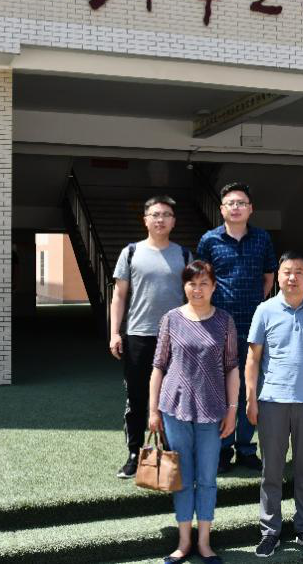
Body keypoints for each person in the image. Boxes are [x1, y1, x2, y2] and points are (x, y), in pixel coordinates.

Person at [245, 251, 303, 558]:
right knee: (271, 471)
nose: (292, 277)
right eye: (287, 271)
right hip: (272, 401)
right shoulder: (265, 310)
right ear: (278, 276)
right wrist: (251, 399)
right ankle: (269, 531)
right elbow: (253, 359)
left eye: (299, 271)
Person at [148, 260, 240, 564]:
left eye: (204, 284)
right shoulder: (171, 319)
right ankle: (184, 541)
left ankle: (204, 542)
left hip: (212, 411)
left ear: (214, 287)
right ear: (184, 286)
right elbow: (158, 366)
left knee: (207, 478)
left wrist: (232, 410)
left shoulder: (224, 321)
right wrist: (153, 411)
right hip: (174, 409)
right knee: (183, 478)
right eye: (192, 283)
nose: (197, 289)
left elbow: (232, 368)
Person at [197, 182, 276, 473]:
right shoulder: (209, 240)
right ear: (222, 209)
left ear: (250, 208)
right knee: (220, 389)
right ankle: (222, 448)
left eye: (241, 203)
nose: (236, 207)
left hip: (254, 326)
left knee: (249, 387)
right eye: (230, 203)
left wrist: (256, 304)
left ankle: (245, 448)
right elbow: (201, 281)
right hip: (218, 326)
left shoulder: (262, 238)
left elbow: (269, 278)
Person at [109, 196, 190, 479]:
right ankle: (134, 454)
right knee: (136, 398)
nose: (160, 219)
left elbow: (194, 296)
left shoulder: (184, 255)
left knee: (174, 397)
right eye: (155, 214)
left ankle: (170, 452)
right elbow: (119, 296)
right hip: (138, 336)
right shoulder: (131, 252)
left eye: (166, 215)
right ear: (145, 220)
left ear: (173, 222)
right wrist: (114, 333)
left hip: (176, 337)